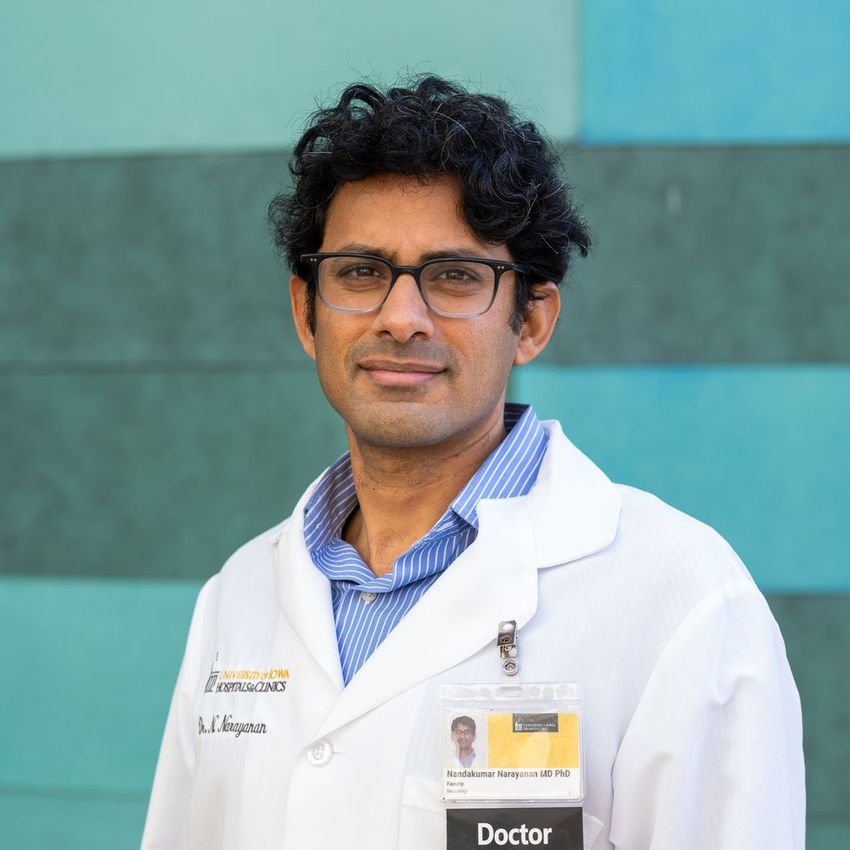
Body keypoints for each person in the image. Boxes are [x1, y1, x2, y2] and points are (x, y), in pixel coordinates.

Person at [142, 76, 804, 850]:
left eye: (455, 276)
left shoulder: (681, 600)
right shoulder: (240, 597)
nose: (401, 317)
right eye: (360, 272)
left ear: (531, 321)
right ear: (305, 313)